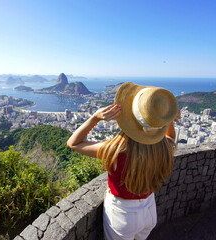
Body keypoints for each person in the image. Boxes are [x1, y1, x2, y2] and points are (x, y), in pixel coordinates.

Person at [67, 82, 180, 240]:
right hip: (149, 209)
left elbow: (73, 143)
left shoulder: (117, 150)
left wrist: (95, 117)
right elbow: (170, 137)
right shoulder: (164, 148)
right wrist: (166, 120)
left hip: (122, 215)